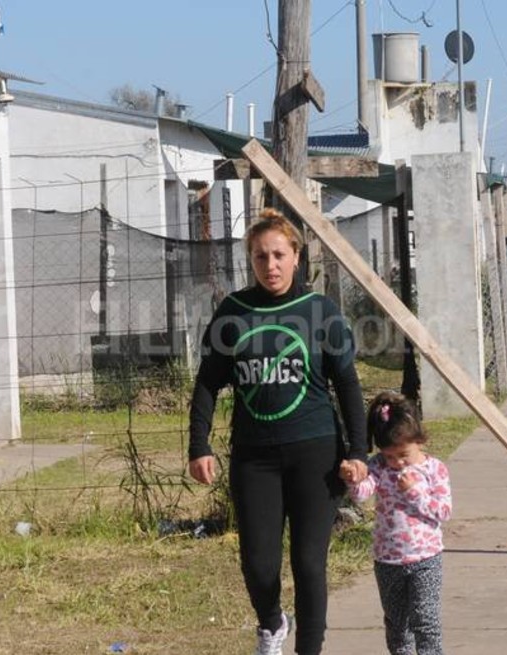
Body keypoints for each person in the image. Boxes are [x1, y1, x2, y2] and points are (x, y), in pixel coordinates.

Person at [188, 207, 369, 655]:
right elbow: (208, 382)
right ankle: (272, 623)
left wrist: (359, 452)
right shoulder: (234, 312)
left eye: (278, 255)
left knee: (309, 564)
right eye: (260, 257)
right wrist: (199, 444)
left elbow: (347, 384)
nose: (270, 265)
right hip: (255, 457)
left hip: (316, 453)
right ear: (250, 261)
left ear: (296, 257)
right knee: (258, 565)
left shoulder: (320, 311)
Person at [340, 391, 452, 655]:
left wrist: (415, 492)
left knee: (426, 621)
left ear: (420, 440)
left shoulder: (434, 469)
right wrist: (352, 478)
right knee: (397, 626)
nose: (397, 463)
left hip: (426, 558)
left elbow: (444, 511)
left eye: (404, 454)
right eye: (390, 456)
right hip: (388, 560)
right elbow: (361, 494)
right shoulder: (380, 466)